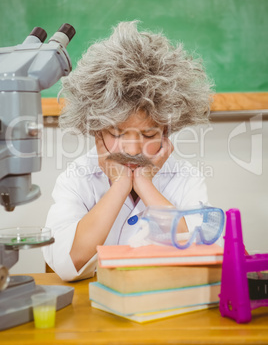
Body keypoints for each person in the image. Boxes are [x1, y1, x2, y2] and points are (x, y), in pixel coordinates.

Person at [43, 21, 213, 281]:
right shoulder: (76, 177)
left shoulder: (185, 178)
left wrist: (145, 184)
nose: (133, 149)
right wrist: (120, 185)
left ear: (167, 130)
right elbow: (67, 264)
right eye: (117, 134)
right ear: (96, 130)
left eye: (148, 134)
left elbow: (200, 253)